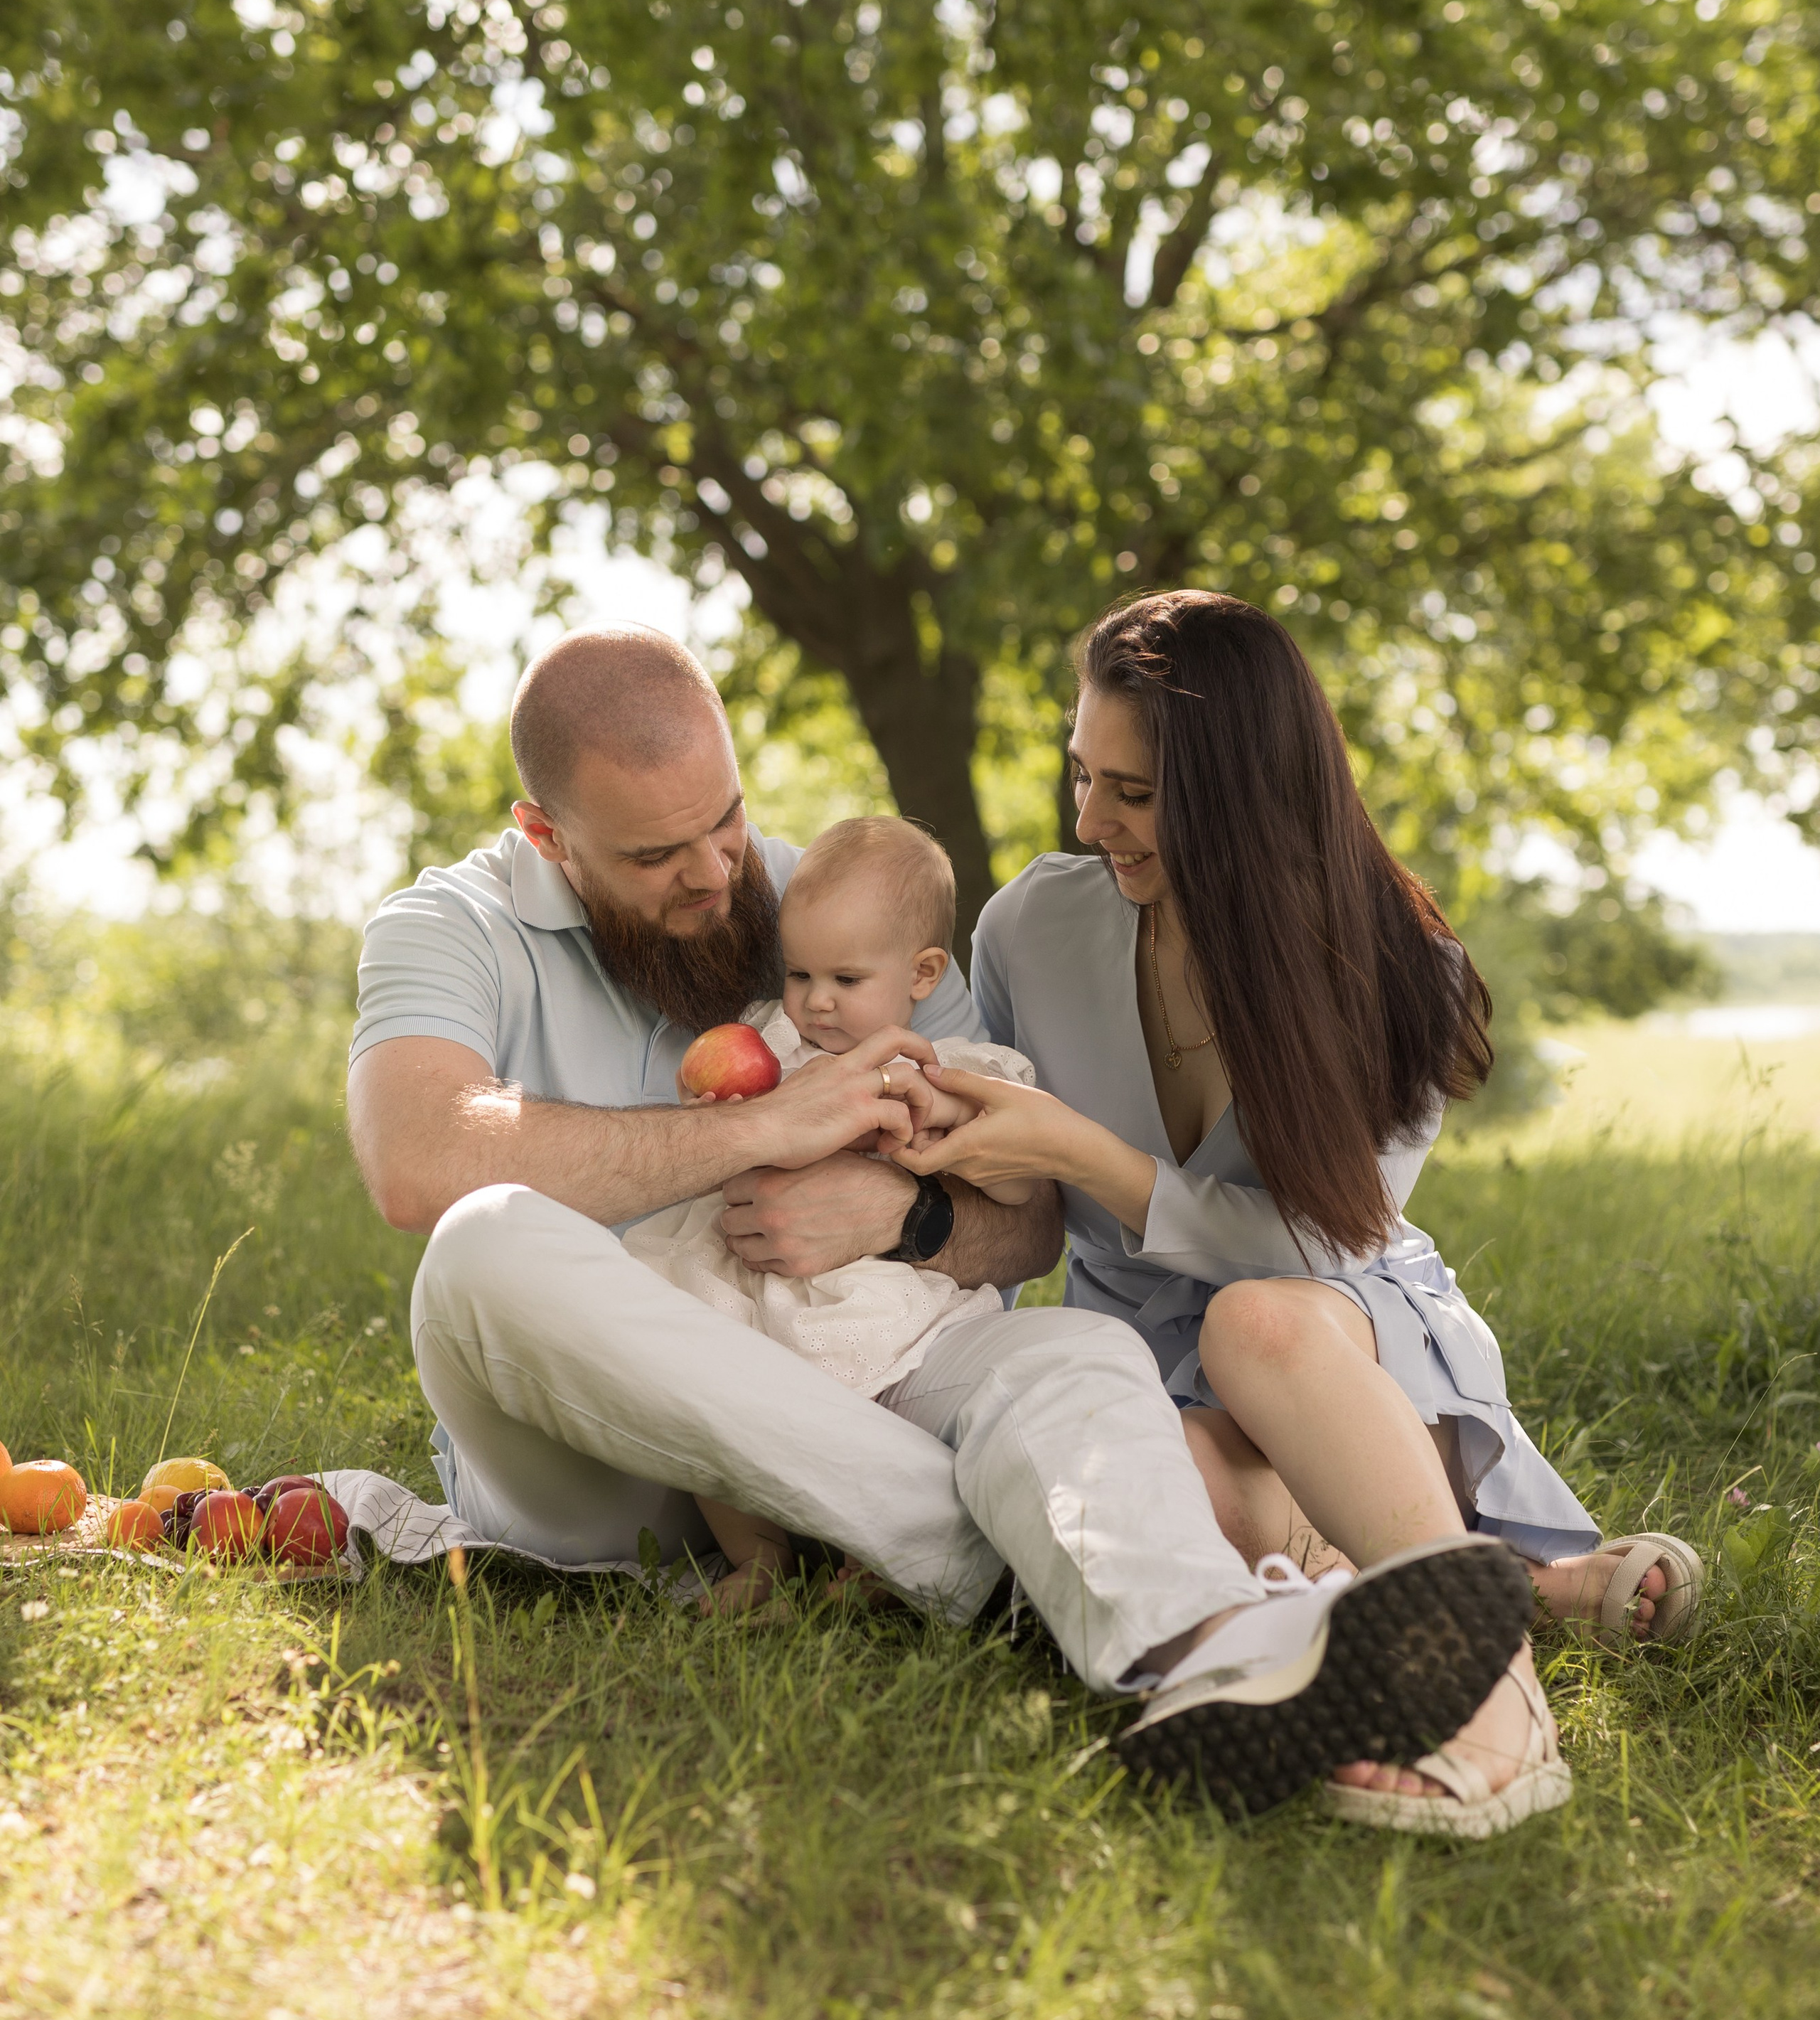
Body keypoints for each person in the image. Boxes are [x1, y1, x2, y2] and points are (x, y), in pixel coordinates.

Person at [347, 623, 1532, 1814]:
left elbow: (1015, 1229)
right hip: (597, 1464)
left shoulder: (830, 912)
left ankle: (1214, 1643)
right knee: (482, 1239)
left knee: (1072, 1347)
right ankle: (1004, 1558)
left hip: (841, 1394)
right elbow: (418, 1160)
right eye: (660, 853)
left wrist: (907, 1218)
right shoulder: (448, 926)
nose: (717, 875)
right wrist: (758, 1131)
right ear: (544, 834)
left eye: (728, 818)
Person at [895, 591, 1702, 1839]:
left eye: (1135, 792)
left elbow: (1324, 1245)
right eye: (1081, 775)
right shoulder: (1030, 928)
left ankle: (1502, 1703)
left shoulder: (1396, 972)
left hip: (1341, 1341)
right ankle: (1509, 1581)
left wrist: (1095, 1158)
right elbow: (1015, 1214)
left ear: (1239, 793)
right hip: (1155, 1375)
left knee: (1254, 1329)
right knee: (1133, 1496)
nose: (1089, 820)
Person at [623, 815, 1039, 1609]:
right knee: (705, 1387)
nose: (815, 1003)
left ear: (922, 974)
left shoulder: (953, 1074)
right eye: (798, 975)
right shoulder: (770, 1045)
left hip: (866, 1293)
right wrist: (709, 1106)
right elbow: (724, 1134)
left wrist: (948, 1127)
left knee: (885, 1409)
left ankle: (877, 1557)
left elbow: (1020, 1186)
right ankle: (759, 1556)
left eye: (845, 981)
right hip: (750, 1279)